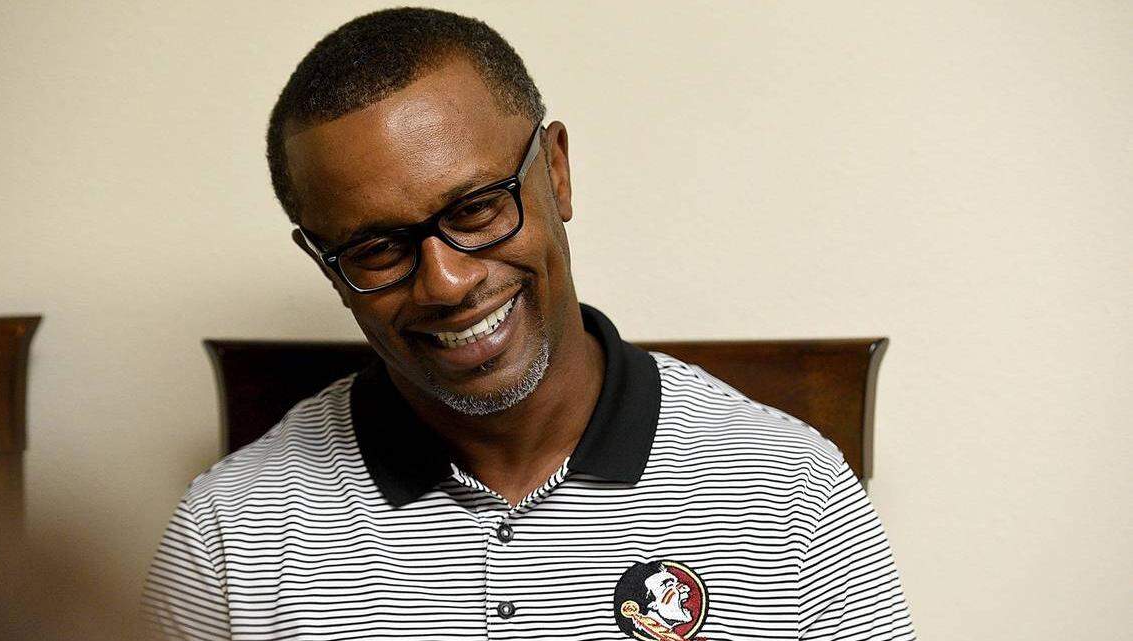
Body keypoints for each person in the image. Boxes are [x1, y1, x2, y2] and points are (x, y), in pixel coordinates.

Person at [144, 7, 916, 640]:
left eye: (477, 207)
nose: (448, 281)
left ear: (557, 171)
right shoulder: (227, 542)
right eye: (378, 248)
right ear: (325, 264)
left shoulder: (791, 495)